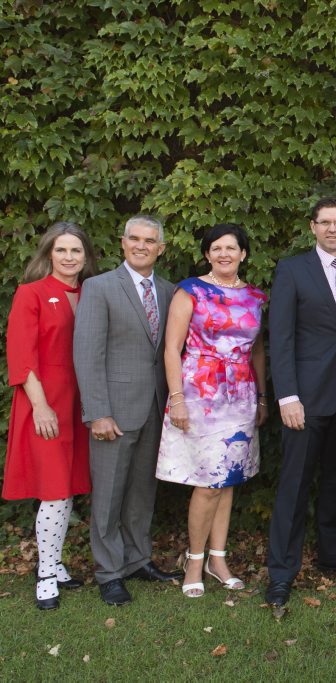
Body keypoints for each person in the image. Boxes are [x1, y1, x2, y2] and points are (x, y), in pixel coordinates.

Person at [265, 197, 336, 608]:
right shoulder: (293, 270)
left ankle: (332, 554)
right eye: (325, 222)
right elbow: (281, 336)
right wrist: (287, 396)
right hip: (305, 400)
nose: (333, 229)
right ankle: (281, 572)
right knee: (294, 486)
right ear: (312, 227)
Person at [74, 215, 184, 606]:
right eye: (134, 239)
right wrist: (97, 412)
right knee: (107, 496)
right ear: (122, 243)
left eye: (149, 240)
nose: (141, 246)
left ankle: (138, 560)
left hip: (156, 409)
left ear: (161, 248)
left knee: (142, 492)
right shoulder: (99, 287)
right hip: (114, 412)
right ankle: (108, 572)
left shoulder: (171, 292)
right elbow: (88, 354)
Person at [155, 224, 268, 598]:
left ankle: (218, 560)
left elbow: (257, 351)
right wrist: (177, 399)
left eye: (231, 248)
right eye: (216, 248)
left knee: (228, 477)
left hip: (241, 394)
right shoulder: (191, 291)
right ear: (207, 254)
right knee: (207, 483)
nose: (224, 254)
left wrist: (263, 397)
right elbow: (172, 348)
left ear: (243, 254)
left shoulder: (254, 297)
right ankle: (194, 560)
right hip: (199, 392)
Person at [3, 222, 97, 610]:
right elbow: (22, 356)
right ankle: (45, 575)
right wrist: (40, 405)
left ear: (86, 256)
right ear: (48, 254)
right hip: (45, 401)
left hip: (80, 403)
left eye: (76, 251)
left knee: (68, 487)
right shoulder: (31, 293)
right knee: (54, 492)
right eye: (62, 250)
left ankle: (56, 564)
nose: (70, 257)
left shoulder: (91, 293)